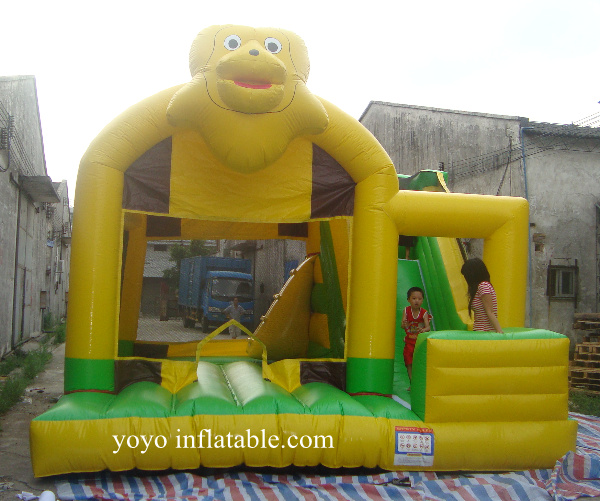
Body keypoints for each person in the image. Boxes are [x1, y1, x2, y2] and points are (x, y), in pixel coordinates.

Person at [460, 257, 503, 333]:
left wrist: (499, 331)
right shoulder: (481, 287)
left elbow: (490, 311)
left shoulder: (483, 286)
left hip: (484, 331)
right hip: (480, 331)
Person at [400, 286, 431, 385]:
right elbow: (402, 325)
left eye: (419, 299)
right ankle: (412, 383)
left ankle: (419, 383)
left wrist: (423, 330)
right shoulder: (406, 310)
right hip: (409, 342)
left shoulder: (424, 313)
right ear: (408, 300)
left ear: (422, 300)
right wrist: (404, 324)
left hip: (419, 342)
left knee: (419, 363)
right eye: (414, 298)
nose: (416, 301)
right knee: (408, 362)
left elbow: (428, 327)